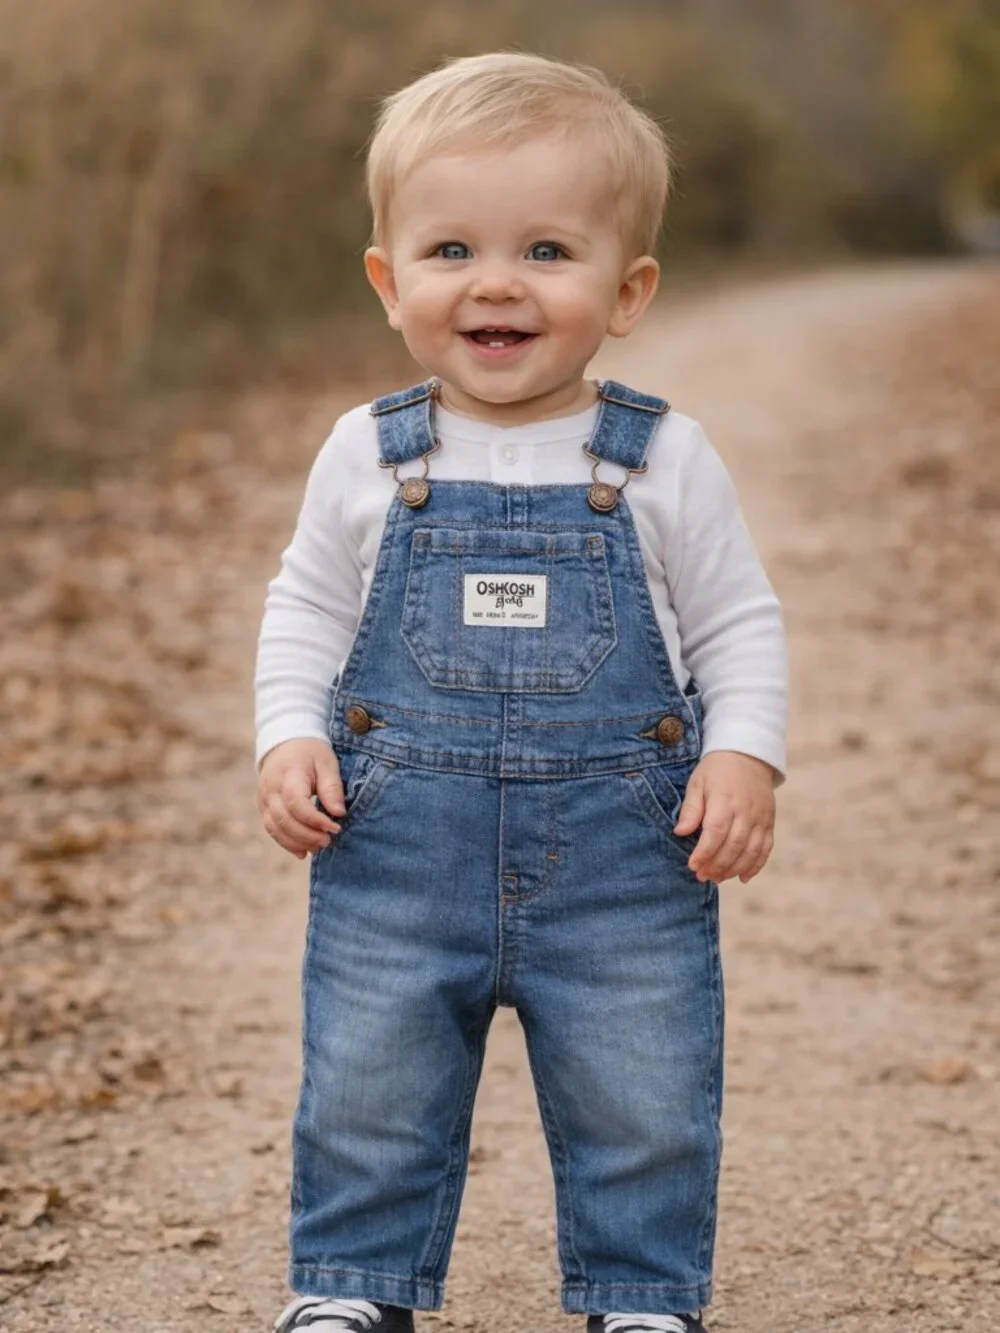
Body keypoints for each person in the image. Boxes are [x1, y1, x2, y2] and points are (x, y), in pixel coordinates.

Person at [254, 51, 788, 1333]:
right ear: (390, 283)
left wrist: (745, 755)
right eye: (449, 250)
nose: (494, 282)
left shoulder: (660, 454)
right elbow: (307, 607)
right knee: (368, 1080)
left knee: (640, 1085)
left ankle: (641, 1294)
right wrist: (286, 736)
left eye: (548, 250)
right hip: (397, 847)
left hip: (619, 859)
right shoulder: (367, 451)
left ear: (628, 290)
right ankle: (350, 1286)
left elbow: (735, 621)